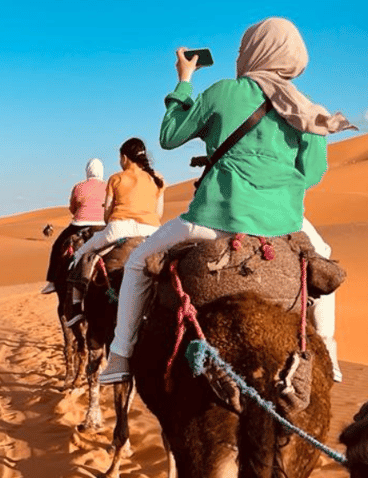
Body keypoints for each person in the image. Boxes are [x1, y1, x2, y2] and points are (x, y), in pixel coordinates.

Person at [99, 17, 354, 384]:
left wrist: (185, 80)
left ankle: (121, 356)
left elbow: (170, 135)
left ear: (256, 50)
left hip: (211, 220)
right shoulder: (310, 112)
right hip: (284, 222)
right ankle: (329, 353)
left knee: (138, 261)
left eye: (242, 49)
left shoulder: (224, 92)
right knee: (323, 257)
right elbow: (312, 175)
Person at [65, 138, 165, 323]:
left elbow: (107, 214)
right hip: (151, 231)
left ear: (125, 158)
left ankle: (76, 305)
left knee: (83, 254)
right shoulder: (158, 179)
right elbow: (158, 213)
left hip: (118, 229)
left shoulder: (116, 178)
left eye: (120, 158)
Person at [40, 158, 106, 294]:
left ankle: (52, 281)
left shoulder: (79, 187)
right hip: (102, 226)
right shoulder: (108, 186)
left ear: (87, 171)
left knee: (57, 245)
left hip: (80, 224)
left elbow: (73, 207)